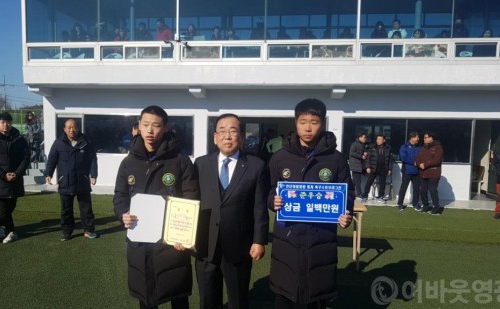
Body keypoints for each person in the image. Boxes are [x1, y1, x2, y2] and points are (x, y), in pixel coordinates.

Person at [268, 98, 353, 309]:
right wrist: (273, 200)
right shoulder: (280, 158)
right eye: (303, 121)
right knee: (285, 294)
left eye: (314, 122)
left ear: (322, 123)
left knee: (317, 297)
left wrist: (346, 211)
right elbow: (268, 189)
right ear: (295, 123)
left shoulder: (336, 159)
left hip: (321, 238)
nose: (308, 128)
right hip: (287, 237)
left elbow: (348, 191)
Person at [113, 105, 199, 309]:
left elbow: (191, 197)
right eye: (146, 125)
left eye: (156, 125)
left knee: (177, 294)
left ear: (166, 128)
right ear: (139, 126)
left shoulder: (180, 161)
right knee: (146, 296)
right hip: (140, 241)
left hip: (172, 242)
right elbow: (120, 196)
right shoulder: (128, 162)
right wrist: (122, 214)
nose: (150, 131)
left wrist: (184, 233)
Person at [194, 113, 269, 309]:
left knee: (238, 300)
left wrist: (259, 240)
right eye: (222, 131)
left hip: (239, 245)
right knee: (208, 300)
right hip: (205, 244)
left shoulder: (256, 166)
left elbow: (259, 206)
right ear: (215, 137)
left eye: (233, 131)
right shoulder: (201, 164)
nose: (227, 136)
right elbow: (192, 201)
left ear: (242, 136)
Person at [45, 119, 98, 241]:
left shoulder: (86, 142)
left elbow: (93, 160)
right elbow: (52, 158)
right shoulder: (58, 142)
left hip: (82, 180)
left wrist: (93, 175)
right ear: (64, 129)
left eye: (74, 127)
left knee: (86, 208)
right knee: (66, 210)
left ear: (78, 128)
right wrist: (49, 173)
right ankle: (66, 232)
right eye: (68, 127)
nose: (71, 129)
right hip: (65, 181)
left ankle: (89, 230)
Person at [0, 112, 30, 243]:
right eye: (2, 122)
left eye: (8, 122)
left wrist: (17, 173)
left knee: (11, 206)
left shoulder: (19, 139)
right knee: (3, 207)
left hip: (15, 179)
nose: (6, 125)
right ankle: (11, 232)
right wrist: (3, 175)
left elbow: (26, 157)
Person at [415, 131, 444, 215]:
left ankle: (436, 207)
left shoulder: (438, 148)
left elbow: (437, 160)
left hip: (434, 173)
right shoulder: (422, 148)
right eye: (424, 137)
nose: (424, 139)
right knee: (423, 191)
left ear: (431, 138)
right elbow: (417, 158)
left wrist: (425, 164)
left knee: (432, 190)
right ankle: (426, 205)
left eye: (426, 137)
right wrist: (419, 164)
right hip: (423, 173)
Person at [363, 134, 393, 204]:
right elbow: (368, 158)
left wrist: (390, 169)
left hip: (383, 168)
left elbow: (390, 160)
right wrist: (367, 167)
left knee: (382, 184)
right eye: (377, 139)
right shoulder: (372, 147)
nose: (378, 141)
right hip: (373, 168)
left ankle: (380, 197)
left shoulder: (388, 148)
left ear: (384, 140)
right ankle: (364, 196)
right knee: (369, 182)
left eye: (380, 139)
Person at [397, 131, 421, 211]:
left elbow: (421, 157)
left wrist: (419, 163)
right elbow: (403, 157)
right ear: (412, 138)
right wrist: (414, 162)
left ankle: (415, 204)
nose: (418, 139)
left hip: (417, 171)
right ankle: (400, 204)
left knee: (416, 188)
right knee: (404, 188)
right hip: (407, 171)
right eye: (417, 137)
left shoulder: (419, 147)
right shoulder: (404, 146)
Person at [349, 132, 368, 203]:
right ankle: (358, 194)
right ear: (360, 137)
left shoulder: (362, 145)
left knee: (355, 181)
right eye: (364, 137)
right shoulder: (355, 144)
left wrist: (364, 153)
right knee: (357, 181)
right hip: (355, 165)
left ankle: (350, 192)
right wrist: (361, 156)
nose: (365, 139)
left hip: (359, 165)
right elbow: (352, 153)